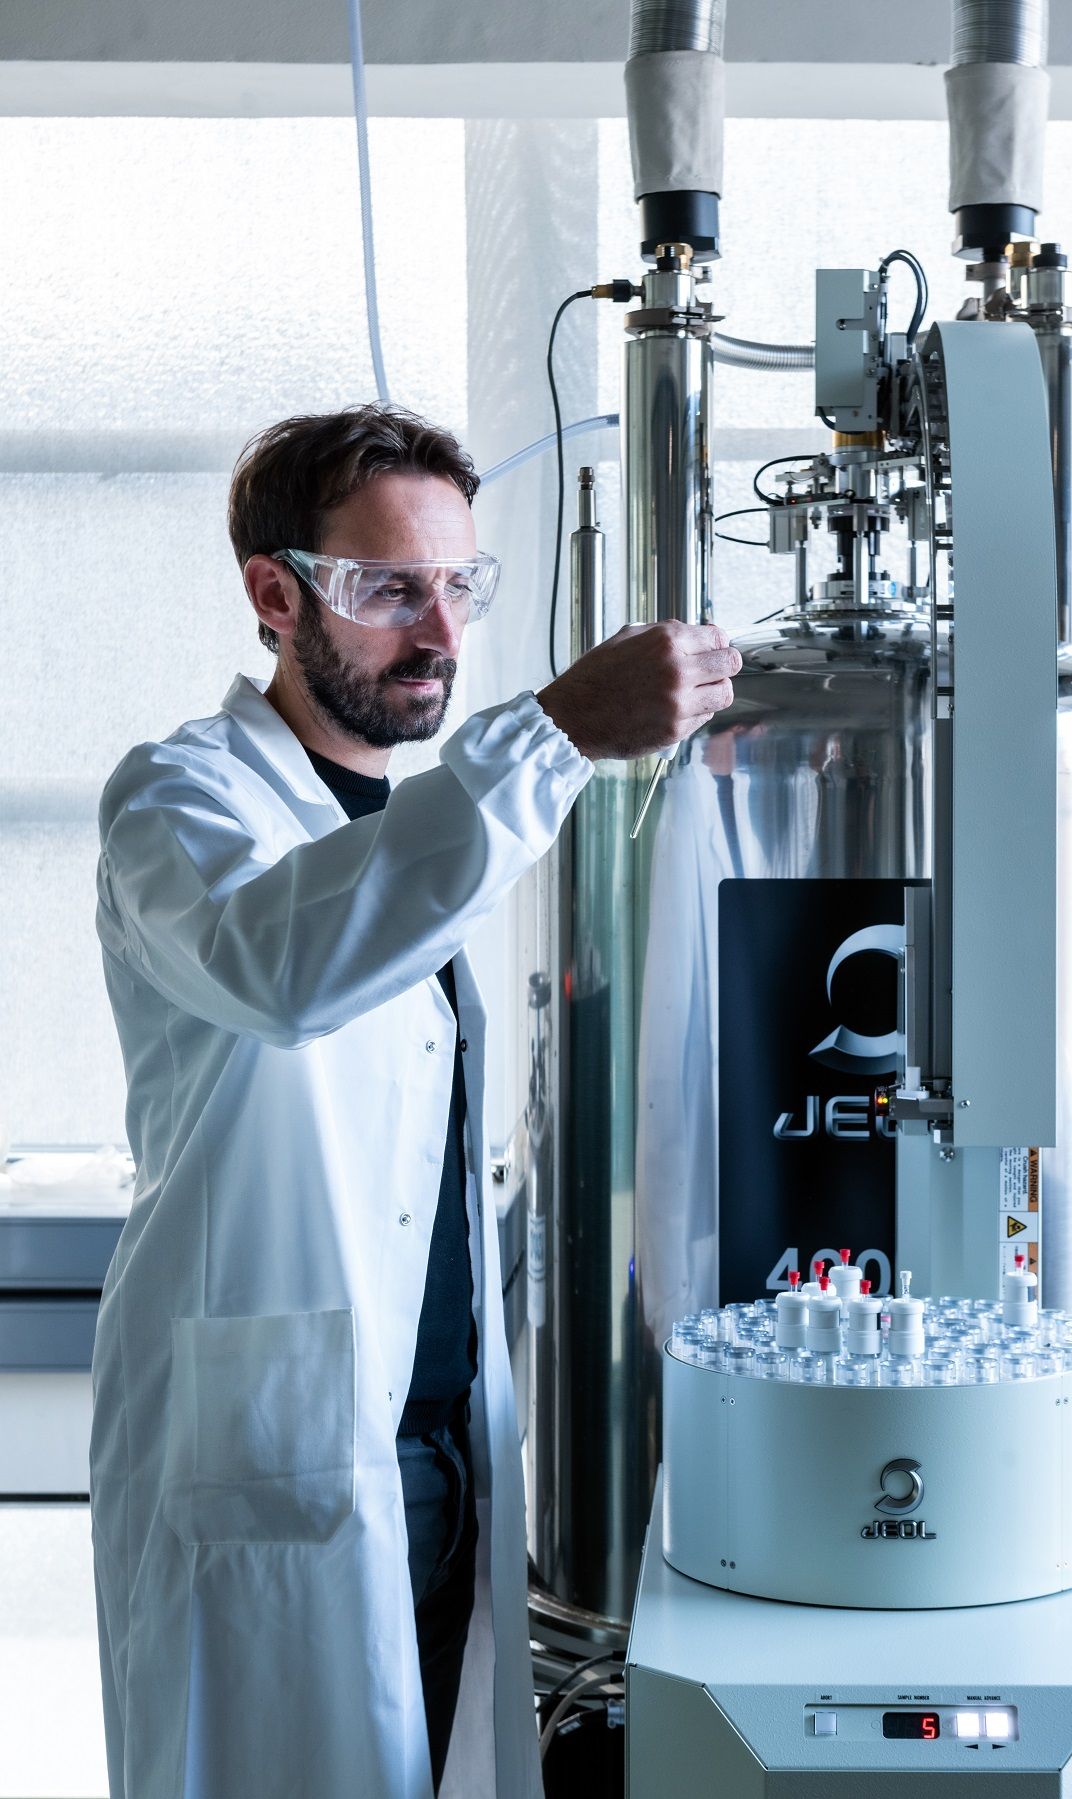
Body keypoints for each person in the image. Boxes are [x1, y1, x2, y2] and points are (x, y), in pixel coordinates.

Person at [90, 402, 740, 1799]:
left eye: (459, 585)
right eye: (390, 589)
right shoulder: (177, 804)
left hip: (437, 1445)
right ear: (276, 596)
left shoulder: (410, 829)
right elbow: (282, 968)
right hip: (283, 1448)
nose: (440, 633)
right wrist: (558, 733)